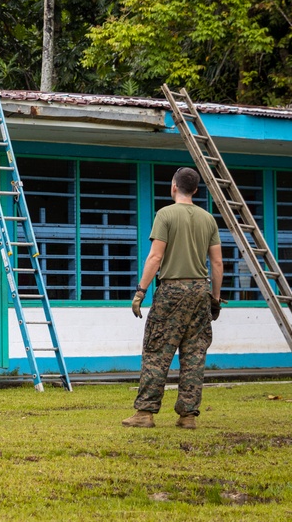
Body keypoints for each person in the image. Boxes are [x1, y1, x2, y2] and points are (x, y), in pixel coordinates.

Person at [123, 167, 224, 430]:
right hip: (200, 291)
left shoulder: (165, 214)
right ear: (195, 190)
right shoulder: (208, 219)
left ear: (174, 186)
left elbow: (155, 257)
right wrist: (215, 298)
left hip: (171, 291)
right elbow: (217, 263)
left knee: (157, 350)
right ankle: (188, 416)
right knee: (194, 354)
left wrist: (141, 291)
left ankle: (145, 413)